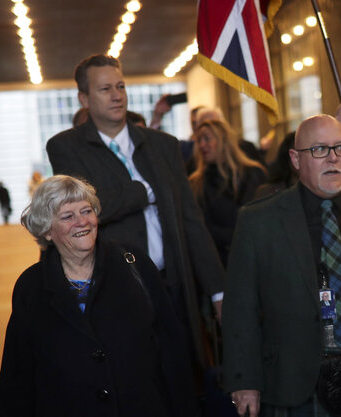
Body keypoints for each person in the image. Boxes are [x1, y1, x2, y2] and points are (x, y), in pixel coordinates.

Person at [45, 54, 225, 374]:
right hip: (117, 291)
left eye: (121, 86)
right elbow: (89, 208)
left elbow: (191, 220)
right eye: (105, 89)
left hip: (173, 285)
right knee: (134, 384)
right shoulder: (66, 147)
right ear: (84, 98)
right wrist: (146, 191)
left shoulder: (163, 146)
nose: (117, 95)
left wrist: (218, 290)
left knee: (184, 380)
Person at [0, 175, 197, 417]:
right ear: (47, 230)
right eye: (68, 216)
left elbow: (171, 347)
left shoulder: (134, 264)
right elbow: (17, 375)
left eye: (86, 211)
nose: (82, 222)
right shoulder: (31, 286)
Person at [223, 115, 341, 416]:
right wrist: (245, 381)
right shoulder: (259, 221)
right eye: (320, 149)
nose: (333, 158)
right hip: (295, 380)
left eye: (340, 148)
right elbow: (239, 309)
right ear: (295, 159)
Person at [189, 118, 266, 266]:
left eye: (207, 139)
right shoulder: (195, 183)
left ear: (223, 140)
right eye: (198, 140)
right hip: (217, 262)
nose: (202, 145)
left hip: (252, 257)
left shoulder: (253, 173)